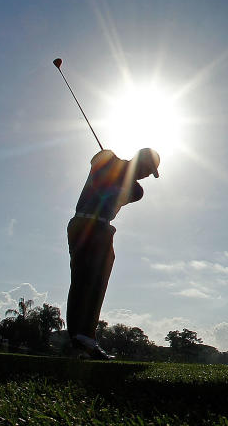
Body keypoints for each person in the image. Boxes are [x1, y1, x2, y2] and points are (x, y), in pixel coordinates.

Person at [66, 147, 160, 359]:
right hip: (85, 223)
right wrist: (113, 161)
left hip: (102, 228)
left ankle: (84, 340)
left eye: (150, 172)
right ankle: (81, 340)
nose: (146, 175)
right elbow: (97, 166)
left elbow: (122, 191)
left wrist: (116, 166)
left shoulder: (136, 190)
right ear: (139, 160)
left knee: (97, 283)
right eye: (147, 168)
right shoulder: (108, 159)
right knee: (84, 281)